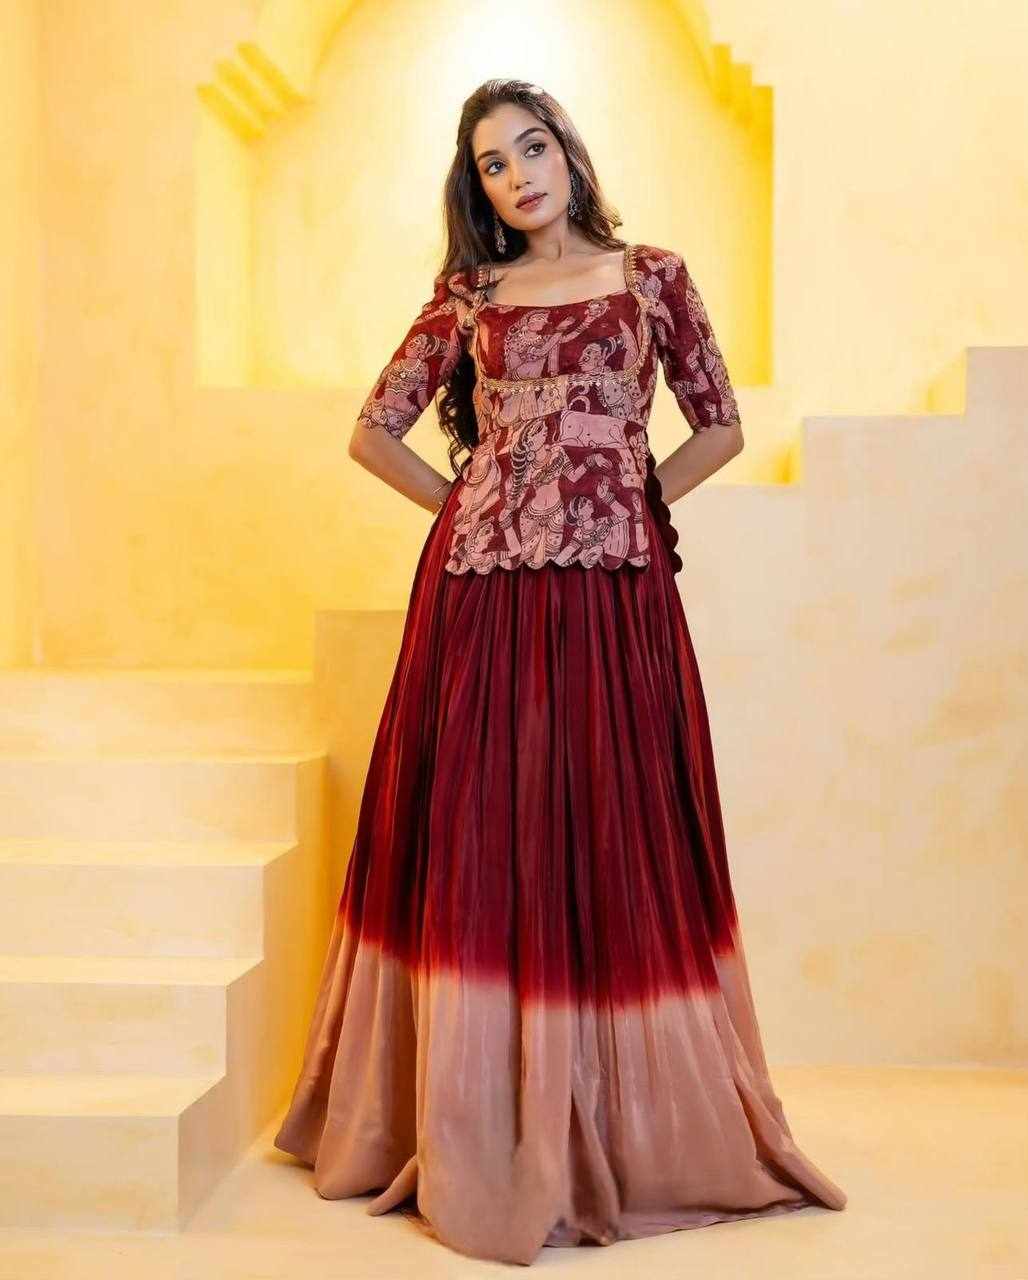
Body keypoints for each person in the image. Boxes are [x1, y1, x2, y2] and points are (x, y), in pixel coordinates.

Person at [273, 78, 847, 1265]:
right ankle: (480, 1113)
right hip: (482, 602)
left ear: (570, 155)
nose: (517, 176)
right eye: (492, 164)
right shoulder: (470, 296)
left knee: (613, 829)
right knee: (487, 832)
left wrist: (629, 502)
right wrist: (468, 509)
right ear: (478, 189)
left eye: (531, 148)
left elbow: (721, 422)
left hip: (613, 593)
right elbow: (373, 431)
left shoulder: (654, 278)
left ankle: (623, 1121)